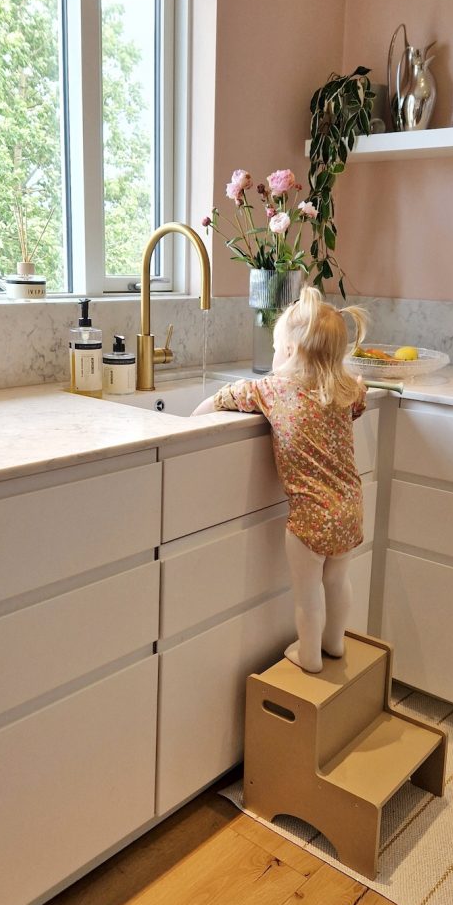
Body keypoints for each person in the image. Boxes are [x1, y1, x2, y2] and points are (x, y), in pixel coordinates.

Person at [192, 286, 369, 672]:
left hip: (310, 518)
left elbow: (222, 398)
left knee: (307, 593)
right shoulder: (345, 390)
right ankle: (334, 642)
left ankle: (309, 655)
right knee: (337, 581)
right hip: (350, 508)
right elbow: (358, 400)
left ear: (289, 351)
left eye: (275, 348)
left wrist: (191, 419)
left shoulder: (271, 389)